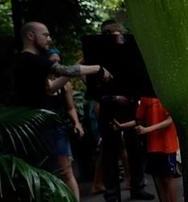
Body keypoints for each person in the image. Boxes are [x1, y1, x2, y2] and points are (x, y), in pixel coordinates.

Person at [12, 21, 112, 177]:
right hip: (36, 125)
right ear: (30, 35)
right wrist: (98, 68)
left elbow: (51, 87)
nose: (49, 39)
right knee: (48, 172)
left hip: (47, 123)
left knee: (59, 170)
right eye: (45, 35)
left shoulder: (33, 61)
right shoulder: (28, 59)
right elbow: (64, 70)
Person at [96, 21, 155, 202]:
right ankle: (112, 193)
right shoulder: (97, 54)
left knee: (136, 148)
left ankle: (137, 187)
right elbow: (94, 88)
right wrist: (114, 98)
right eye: (115, 33)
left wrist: (134, 95)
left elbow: (139, 76)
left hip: (130, 106)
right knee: (110, 151)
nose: (119, 36)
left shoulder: (131, 51)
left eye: (120, 33)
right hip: (109, 108)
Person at [116, 97, 179, 202]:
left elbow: (170, 120)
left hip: (167, 145)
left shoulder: (166, 94)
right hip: (153, 146)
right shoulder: (146, 97)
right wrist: (122, 126)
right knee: (159, 178)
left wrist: (147, 130)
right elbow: (139, 120)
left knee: (168, 178)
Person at [47, 49, 85, 200]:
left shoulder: (65, 84)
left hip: (60, 128)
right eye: (52, 61)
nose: (56, 64)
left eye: (58, 61)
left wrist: (77, 123)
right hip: (44, 130)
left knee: (66, 169)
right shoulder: (42, 82)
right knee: (53, 170)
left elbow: (70, 107)